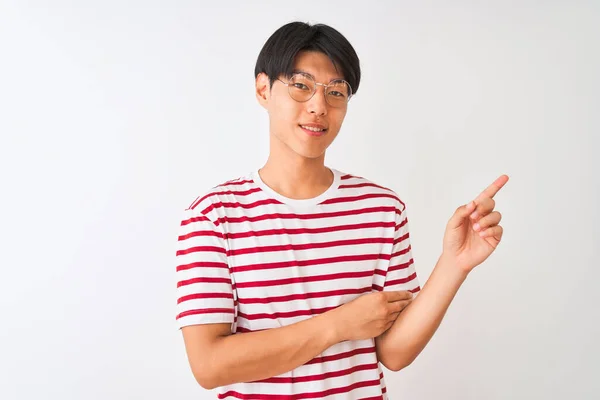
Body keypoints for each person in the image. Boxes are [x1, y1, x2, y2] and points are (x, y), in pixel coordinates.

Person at [174, 21, 508, 399]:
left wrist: (454, 264)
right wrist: (338, 325)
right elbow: (209, 366)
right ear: (263, 89)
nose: (319, 106)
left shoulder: (382, 209)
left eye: (336, 92)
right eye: (301, 85)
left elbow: (393, 354)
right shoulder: (213, 215)